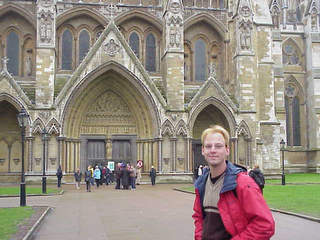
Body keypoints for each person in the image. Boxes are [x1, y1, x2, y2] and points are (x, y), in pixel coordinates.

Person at [192, 125, 275, 240]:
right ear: (203, 150)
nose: (212, 150)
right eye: (208, 146)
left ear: (227, 150)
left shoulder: (243, 182)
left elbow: (265, 225)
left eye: (218, 146)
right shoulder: (201, 184)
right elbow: (199, 218)